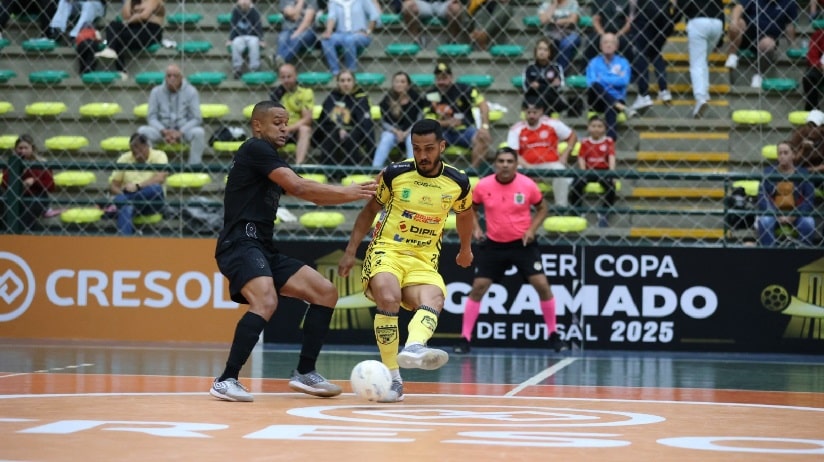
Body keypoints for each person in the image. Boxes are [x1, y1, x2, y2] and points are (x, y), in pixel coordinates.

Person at [210, 100, 378, 403]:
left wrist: (354, 194)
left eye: (287, 123)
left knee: (325, 292)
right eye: (277, 122)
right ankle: (226, 379)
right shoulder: (255, 150)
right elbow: (299, 187)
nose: (284, 128)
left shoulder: (270, 159)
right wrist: (348, 191)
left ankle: (305, 373)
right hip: (239, 243)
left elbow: (313, 196)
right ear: (257, 125)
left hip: (263, 248)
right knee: (266, 299)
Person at [338, 119, 474, 403]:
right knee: (388, 297)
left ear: (442, 147)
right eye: (416, 149)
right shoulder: (394, 174)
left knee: (434, 297)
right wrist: (351, 251)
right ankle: (393, 378)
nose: (422, 156)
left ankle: (413, 346)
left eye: (429, 149)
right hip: (386, 251)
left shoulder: (458, 182)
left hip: (423, 261)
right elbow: (368, 211)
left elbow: (464, 215)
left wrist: (465, 248)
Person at [453, 147, 565, 355]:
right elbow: (470, 209)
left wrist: (532, 230)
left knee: (542, 285)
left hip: (522, 244)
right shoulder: (483, 186)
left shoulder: (527, 185)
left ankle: (553, 334)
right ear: (495, 164)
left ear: (516, 164)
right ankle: (465, 338)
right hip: (494, 243)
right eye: (501, 161)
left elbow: (543, 208)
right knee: (478, 287)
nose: (505, 165)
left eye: (509, 161)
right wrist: (476, 228)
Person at [506, 92, 576, 208]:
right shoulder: (516, 129)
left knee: (560, 170)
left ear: (541, 111)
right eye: (528, 112)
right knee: (514, 170)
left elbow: (572, 136)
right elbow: (513, 154)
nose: (532, 115)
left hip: (550, 165)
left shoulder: (553, 124)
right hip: (527, 166)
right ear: (524, 112)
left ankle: (561, 207)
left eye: (535, 112)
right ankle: (518, 208)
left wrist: (565, 155)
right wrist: (531, 169)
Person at [424, 62, 492, 169]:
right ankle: (433, 174)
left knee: (484, 138)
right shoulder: (431, 94)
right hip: (442, 132)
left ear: (451, 77)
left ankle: (472, 172)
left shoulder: (463, 89)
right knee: (429, 141)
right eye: (438, 78)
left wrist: (485, 127)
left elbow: (483, 104)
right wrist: (448, 123)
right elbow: (428, 120)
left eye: (444, 78)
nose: (441, 82)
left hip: (465, 130)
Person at [137, 63, 206, 166]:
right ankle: (150, 166)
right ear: (165, 77)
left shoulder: (191, 92)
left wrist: (180, 132)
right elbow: (151, 117)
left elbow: (196, 118)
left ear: (181, 77)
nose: (172, 79)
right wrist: (164, 131)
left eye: (175, 76)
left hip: (184, 131)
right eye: (169, 76)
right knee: (142, 131)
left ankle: (193, 167)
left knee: (199, 132)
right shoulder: (156, 92)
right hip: (161, 131)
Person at [724, 0, 798, 88]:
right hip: (747, 34)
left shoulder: (789, 3)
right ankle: (732, 55)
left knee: (768, 44)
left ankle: (758, 74)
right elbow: (738, 7)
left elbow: (789, 25)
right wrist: (734, 21)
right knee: (739, 23)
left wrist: (793, 45)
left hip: (767, 38)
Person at [756, 141, 816, 247]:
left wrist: (794, 215)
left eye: (786, 153)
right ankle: (769, 254)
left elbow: (809, 199)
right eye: (780, 153)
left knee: (809, 222)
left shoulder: (803, 173)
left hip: (797, 213)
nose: (782, 156)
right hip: (774, 212)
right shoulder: (768, 172)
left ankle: (802, 253)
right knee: (765, 221)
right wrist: (775, 214)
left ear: (793, 155)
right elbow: (762, 197)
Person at [108, 133, 168, 236]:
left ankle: (125, 203)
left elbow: (160, 178)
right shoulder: (124, 158)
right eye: (133, 151)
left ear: (147, 146)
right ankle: (126, 243)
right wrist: (122, 194)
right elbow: (113, 186)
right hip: (128, 198)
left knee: (156, 188)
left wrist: (137, 187)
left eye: (139, 150)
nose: (136, 154)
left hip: (151, 202)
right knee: (125, 204)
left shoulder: (159, 155)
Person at [315, 69, 375, 165]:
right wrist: (339, 129)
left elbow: (365, 122)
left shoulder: (361, 97)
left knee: (351, 137)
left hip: (355, 131)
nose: (345, 84)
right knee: (331, 135)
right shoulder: (332, 97)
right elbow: (325, 118)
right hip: (334, 130)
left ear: (354, 82)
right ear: (338, 83)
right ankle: (328, 171)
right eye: (342, 80)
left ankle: (352, 171)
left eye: (348, 80)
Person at [94, 0, 165, 79]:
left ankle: (115, 57)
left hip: (150, 31)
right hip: (133, 29)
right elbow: (126, 16)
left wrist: (128, 21)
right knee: (113, 26)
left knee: (117, 35)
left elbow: (144, 16)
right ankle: (113, 54)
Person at [568, 115, 616, 228]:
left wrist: (612, 173)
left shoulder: (608, 141)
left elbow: (611, 157)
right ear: (588, 128)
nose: (596, 129)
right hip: (588, 170)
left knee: (610, 186)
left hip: (603, 171)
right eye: (593, 126)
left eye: (600, 126)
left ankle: (604, 212)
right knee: (576, 184)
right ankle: (577, 210)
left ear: (605, 128)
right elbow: (581, 158)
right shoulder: (585, 142)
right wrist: (583, 172)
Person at [680, 0, 725, 118]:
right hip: (717, 23)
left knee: (697, 63)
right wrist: (720, 42)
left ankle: (700, 97)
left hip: (698, 21)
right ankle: (705, 92)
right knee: (703, 59)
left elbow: (682, 5)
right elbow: (721, 10)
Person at [629, 0, 676, 112]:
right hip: (664, 12)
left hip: (646, 9)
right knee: (655, 52)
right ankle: (664, 90)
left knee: (641, 52)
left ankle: (643, 94)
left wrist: (632, 14)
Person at [1, 134, 54, 231]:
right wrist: (17, 180)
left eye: (26, 148)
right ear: (15, 149)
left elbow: (51, 186)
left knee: (28, 211)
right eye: (20, 148)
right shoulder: (12, 162)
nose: (22, 151)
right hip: (15, 197)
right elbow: (4, 183)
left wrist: (35, 180)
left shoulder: (42, 163)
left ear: (32, 148)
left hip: (35, 197)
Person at [373, 71, 425, 167]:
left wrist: (405, 133)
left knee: (411, 140)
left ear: (408, 85)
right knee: (386, 138)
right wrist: (396, 132)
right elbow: (384, 122)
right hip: (393, 132)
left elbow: (419, 120)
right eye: (396, 81)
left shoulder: (416, 99)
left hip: (411, 131)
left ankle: (413, 171)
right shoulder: (387, 99)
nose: (399, 84)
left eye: (402, 82)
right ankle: (375, 169)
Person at [585, 32, 631, 141]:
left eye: (611, 42)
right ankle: (617, 105)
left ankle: (610, 141)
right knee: (595, 86)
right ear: (601, 46)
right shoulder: (593, 62)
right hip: (597, 100)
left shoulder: (623, 62)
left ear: (616, 46)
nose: (608, 45)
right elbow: (591, 82)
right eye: (605, 42)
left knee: (610, 106)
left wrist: (602, 78)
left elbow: (624, 81)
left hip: (617, 99)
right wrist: (613, 78)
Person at [268, 63, 315, 165]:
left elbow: (307, 119)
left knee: (305, 129)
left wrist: (289, 129)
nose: (286, 80)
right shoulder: (276, 94)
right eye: (283, 77)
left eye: (289, 77)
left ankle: (299, 165)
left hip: (296, 130)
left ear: (295, 76)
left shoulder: (305, 92)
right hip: (280, 129)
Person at [319, 0, 380, 75]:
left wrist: (368, 31)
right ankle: (335, 71)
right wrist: (328, 31)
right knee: (326, 41)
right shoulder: (335, 2)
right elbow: (332, 17)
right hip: (341, 34)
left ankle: (351, 71)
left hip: (360, 33)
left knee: (349, 40)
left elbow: (374, 15)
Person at [521, 37, 572, 117]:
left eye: (546, 50)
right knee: (540, 97)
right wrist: (549, 85)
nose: (542, 52)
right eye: (540, 49)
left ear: (550, 52)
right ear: (536, 51)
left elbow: (559, 86)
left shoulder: (556, 67)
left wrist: (539, 86)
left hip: (551, 98)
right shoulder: (529, 67)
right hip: (534, 98)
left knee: (547, 95)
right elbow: (526, 87)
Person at [538, 0, 581, 74]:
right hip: (551, 34)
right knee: (547, 44)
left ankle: (559, 73)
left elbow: (573, 20)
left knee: (566, 44)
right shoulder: (546, 4)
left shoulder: (572, 3)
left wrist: (555, 21)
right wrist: (554, 4)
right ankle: (550, 72)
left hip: (569, 33)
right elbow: (544, 20)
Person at [228, 0, 264, 79]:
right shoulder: (236, 12)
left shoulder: (254, 12)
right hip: (240, 36)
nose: (244, 2)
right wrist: (231, 39)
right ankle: (237, 68)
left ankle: (254, 67)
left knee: (254, 43)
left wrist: (261, 39)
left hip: (252, 36)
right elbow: (233, 25)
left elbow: (258, 26)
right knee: (235, 43)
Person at [275, 0, 317, 65]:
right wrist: (301, 2)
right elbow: (295, 16)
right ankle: (280, 60)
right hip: (288, 30)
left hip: (307, 31)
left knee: (298, 38)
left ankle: (280, 60)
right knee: (282, 37)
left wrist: (297, 33)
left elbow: (308, 21)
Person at [803, 27, 824, 111]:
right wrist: (820, 65)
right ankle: (813, 111)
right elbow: (812, 56)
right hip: (820, 69)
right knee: (809, 78)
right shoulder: (819, 35)